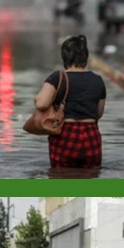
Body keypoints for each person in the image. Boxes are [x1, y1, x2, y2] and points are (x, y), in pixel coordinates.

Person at [35, 35, 106, 169]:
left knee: (62, 176)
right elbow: (99, 113)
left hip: (66, 135)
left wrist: (37, 98)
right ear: (85, 56)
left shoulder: (58, 77)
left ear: (65, 57)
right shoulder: (98, 80)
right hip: (91, 135)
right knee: (90, 177)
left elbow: (41, 104)